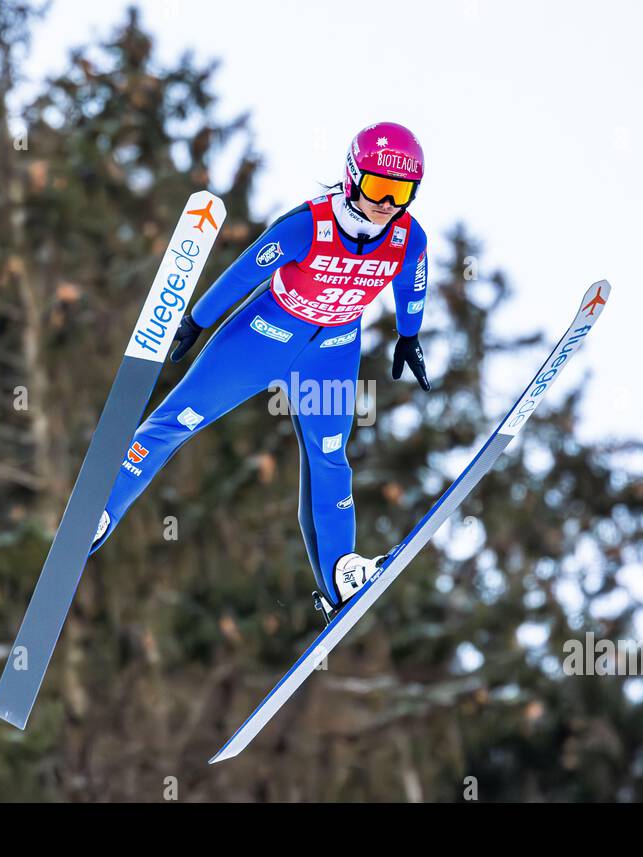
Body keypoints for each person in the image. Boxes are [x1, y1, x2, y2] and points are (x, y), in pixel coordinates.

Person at [92, 122, 431, 623]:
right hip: (263, 337)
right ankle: (102, 509)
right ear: (354, 177)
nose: (388, 203)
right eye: (379, 187)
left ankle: (341, 573)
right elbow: (247, 270)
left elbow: (412, 285)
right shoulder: (308, 225)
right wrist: (197, 320)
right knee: (177, 420)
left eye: (401, 192)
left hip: (332, 354)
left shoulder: (408, 238)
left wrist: (409, 334)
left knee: (331, 456)